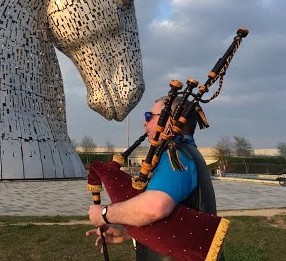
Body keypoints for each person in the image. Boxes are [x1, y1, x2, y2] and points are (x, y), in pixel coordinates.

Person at [86, 96, 222, 260]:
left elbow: (154, 207)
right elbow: (174, 223)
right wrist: (129, 231)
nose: (145, 122)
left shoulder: (176, 156)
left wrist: (105, 213)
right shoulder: (186, 153)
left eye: (149, 116)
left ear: (171, 121)